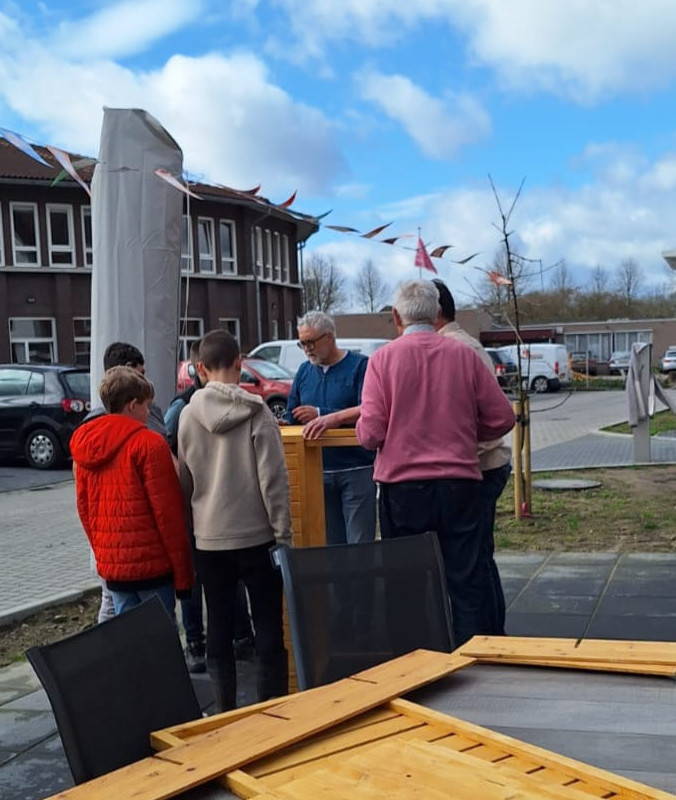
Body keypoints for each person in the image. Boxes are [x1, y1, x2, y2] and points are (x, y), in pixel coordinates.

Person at [355, 280, 515, 647]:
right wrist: (467, 434)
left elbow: (370, 434)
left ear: (397, 317)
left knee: (407, 584)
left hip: (403, 489)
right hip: (459, 483)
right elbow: (502, 418)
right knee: (467, 579)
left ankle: (418, 667)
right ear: (435, 312)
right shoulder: (463, 355)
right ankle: (475, 667)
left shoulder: (382, 360)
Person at [178, 329, 291, 712]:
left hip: (210, 539)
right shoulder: (258, 412)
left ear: (201, 369)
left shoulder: (188, 415)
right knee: (268, 625)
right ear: (240, 363)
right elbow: (272, 480)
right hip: (257, 536)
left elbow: (185, 479)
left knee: (220, 625)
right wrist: (283, 534)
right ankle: (271, 708)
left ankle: (224, 710)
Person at [70, 366, 194, 619]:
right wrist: (183, 575)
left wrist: (106, 556)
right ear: (132, 405)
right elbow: (168, 515)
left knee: (131, 642)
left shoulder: (84, 446)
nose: (149, 412)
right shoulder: (149, 444)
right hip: (153, 568)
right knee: (162, 643)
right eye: (147, 406)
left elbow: (85, 510)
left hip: (115, 571)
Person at [164, 341, 255, 673]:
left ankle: (221, 648)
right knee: (213, 588)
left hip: (202, 521)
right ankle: (206, 643)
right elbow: (271, 478)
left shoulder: (183, 410)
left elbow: (179, 466)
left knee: (213, 595)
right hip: (239, 524)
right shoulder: (253, 409)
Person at [433, 278, 512, 635]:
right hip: (481, 465)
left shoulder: (459, 350)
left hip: (480, 468)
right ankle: (494, 635)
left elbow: (494, 416)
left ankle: (490, 639)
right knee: (478, 557)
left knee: (473, 562)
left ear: (433, 312)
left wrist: (460, 450)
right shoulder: (458, 346)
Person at [80, 341, 167, 623]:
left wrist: (104, 551)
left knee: (124, 628)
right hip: (151, 563)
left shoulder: (86, 437)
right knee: (160, 634)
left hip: (114, 563)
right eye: (140, 374)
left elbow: (84, 507)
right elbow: (166, 509)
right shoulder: (147, 440)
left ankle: (116, 666)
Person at [285, 311, 376, 545]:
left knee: (359, 545)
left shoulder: (360, 366)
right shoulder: (305, 372)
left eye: (311, 342)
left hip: (356, 467)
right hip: (316, 471)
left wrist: (322, 415)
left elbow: (369, 409)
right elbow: (291, 413)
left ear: (329, 337)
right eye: (302, 343)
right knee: (330, 547)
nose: (306, 349)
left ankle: (360, 584)